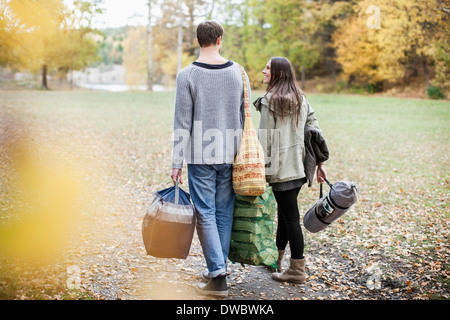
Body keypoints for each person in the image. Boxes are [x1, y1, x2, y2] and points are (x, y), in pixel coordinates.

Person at [170, 20, 249, 297]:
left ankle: (217, 274)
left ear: (198, 40)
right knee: (224, 211)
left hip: (200, 154)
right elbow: (243, 115)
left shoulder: (187, 75)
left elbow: (182, 122)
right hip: (231, 152)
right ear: (219, 39)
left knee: (205, 211)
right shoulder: (238, 72)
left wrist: (176, 162)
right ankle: (218, 268)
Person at [253, 57, 328, 284]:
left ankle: (297, 270)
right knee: (285, 216)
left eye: (267, 67)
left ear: (277, 73)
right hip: (298, 168)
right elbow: (315, 130)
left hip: (279, 169)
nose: (263, 70)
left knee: (290, 218)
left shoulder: (269, 102)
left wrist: (259, 171)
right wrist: (320, 163)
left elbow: (264, 140)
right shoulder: (301, 99)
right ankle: (277, 261)